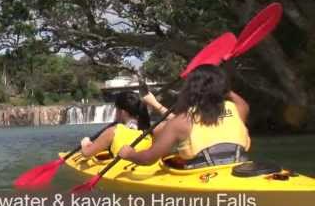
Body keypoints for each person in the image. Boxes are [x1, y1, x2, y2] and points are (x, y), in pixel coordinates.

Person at [119, 65, 251, 169]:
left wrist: (129, 154)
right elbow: (233, 96)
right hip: (239, 169)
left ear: (190, 89)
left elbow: (148, 159)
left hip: (202, 177)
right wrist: (216, 81)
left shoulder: (180, 122)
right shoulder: (238, 108)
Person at [80, 91, 166, 158]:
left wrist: (85, 142)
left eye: (116, 110)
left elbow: (86, 153)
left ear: (122, 112)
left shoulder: (113, 132)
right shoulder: (152, 131)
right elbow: (176, 121)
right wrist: (156, 104)